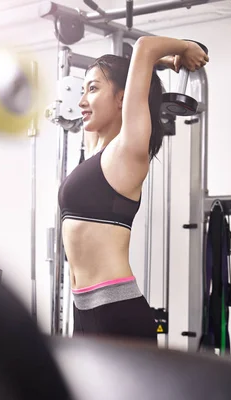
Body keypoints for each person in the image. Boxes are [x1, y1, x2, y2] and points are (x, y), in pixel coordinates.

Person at [58, 37, 209, 345]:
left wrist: (182, 49)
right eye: (84, 89)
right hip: (84, 309)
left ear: (122, 99)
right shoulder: (97, 148)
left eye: (93, 88)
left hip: (115, 312)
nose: (81, 101)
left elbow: (143, 46)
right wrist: (158, 63)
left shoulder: (128, 151)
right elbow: (139, 62)